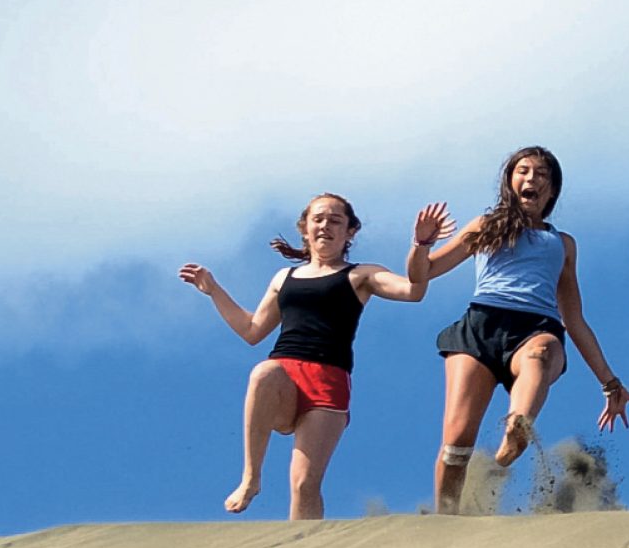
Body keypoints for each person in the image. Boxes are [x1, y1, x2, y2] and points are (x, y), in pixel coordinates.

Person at [178, 193, 446, 519]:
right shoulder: (284, 278)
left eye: (335, 221)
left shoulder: (360, 275)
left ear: (350, 232)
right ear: (305, 228)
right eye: (318, 219)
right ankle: (251, 478)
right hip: (284, 376)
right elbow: (251, 331)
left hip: (329, 382)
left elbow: (414, 291)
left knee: (304, 484)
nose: (325, 226)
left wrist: (421, 245)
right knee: (262, 372)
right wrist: (214, 290)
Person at [410, 146, 629, 512]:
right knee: (456, 445)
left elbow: (574, 319)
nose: (531, 179)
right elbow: (423, 273)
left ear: (552, 190)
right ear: (510, 181)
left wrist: (609, 382)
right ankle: (444, 521)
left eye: (541, 174)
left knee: (541, 354)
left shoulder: (562, 244)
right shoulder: (484, 227)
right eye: (523, 171)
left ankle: (518, 427)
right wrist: (421, 244)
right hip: (480, 326)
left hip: (536, 326)